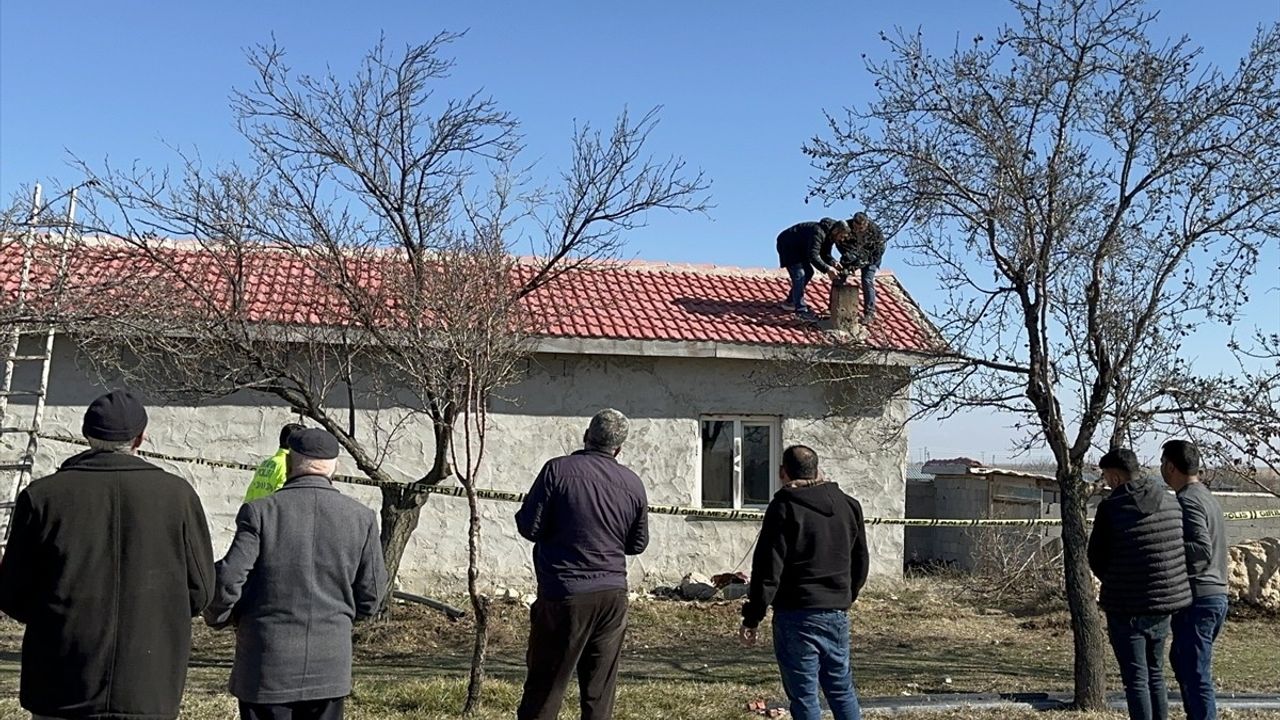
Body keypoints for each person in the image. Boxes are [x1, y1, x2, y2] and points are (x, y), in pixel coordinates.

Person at [0, 389, 215, 720]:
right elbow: (200, 590)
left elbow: (12, 592)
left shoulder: (43, 497)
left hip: (61, 677)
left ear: (86, 435)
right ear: (140, 438)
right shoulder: (178, 496)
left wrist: (57, 620)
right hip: (148, 681)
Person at [205, 427, 387, 720]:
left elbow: (228, 580)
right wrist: (338, 621)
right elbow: (373, 595)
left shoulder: (260, 512)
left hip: (266, 662)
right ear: (334, 466)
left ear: (289, 463)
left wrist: (220, 617)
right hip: (329, 665)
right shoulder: (361, 517)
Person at [514, 408, 649, 720]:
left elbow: (528, 527)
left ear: (587, 436)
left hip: (566, 592)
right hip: (613, 595)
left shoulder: (557, 471)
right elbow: (637, 544)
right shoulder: (633, 483)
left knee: (546, 687)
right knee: (599, 693)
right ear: (619, 448)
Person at [739, 445, 870, 720]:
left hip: (795, 613)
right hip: (836, 612)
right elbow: (860, 562)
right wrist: (845, 596)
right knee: (841, 688)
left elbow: (767, 569)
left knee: (804, 695)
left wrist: (753, 616)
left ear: (782, 473)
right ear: (818, 469)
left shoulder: (784, 507)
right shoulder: (849, 505)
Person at [1088, 447, 1191, 720]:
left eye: (1107, 477)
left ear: (1116, 477)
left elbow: (1096, 558)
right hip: (1164, 603)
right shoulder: (1171, 501)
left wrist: (1117, 579)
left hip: (1126, 606)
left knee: (1135, 679)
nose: (1106, 483)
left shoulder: (1111, 508)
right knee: (1155, 674)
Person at [1161, 440, 1229, 720]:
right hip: (1214, 595)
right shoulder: (1206, 496)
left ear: (1170, 466)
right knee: (1183, 662)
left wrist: (1168, 545)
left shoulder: (1187, 500)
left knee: (1196, 672)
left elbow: (1200, 550)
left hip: (1199, 598)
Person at [775, 218, 850, 318]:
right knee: (800, 274)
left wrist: (833, 262)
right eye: (841, 236)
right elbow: (813, 256)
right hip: (788, 247)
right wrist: (828, 269)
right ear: (836, 231)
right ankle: (800, 310)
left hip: (801, 248)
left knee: (809, 272)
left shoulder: (830, 236)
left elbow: (825, 253)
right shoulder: (818, 232)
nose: (842, 239)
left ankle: (790, 301)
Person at [831, 212, 886, 325]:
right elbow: (839, 242)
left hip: (870, 258)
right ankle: (832, 307)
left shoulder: (875, 231)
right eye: (855, 227)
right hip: (852, 255)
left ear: (866, 224)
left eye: (860, 228)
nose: (857, 230)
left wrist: (866, 261)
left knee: (867, 280)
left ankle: (869, 313)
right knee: (840, 276)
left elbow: (880, 250)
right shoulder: (846, 226)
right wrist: (847, 255)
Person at [244, 421, 306, 502]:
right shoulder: (289, 465)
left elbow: (252, 491)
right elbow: (281, 499)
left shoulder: (267, 462)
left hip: (253, 510)